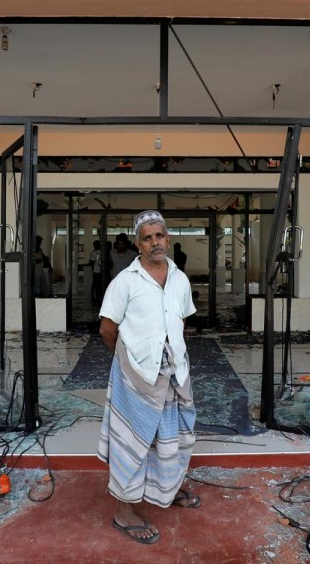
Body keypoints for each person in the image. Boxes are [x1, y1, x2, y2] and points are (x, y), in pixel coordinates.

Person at [97, 210, 200, 545]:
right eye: (147, 237)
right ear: (137, 244)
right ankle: (123, 511)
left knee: (173, 434)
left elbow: (180, 322)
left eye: (160, 236)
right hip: (136, 375)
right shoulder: (125, 282)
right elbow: (107, 329)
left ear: (167, 239)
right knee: (133, 441)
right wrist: (130, 364)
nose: (155, 242)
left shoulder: (180, 279)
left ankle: (167, 486)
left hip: (173, 372)